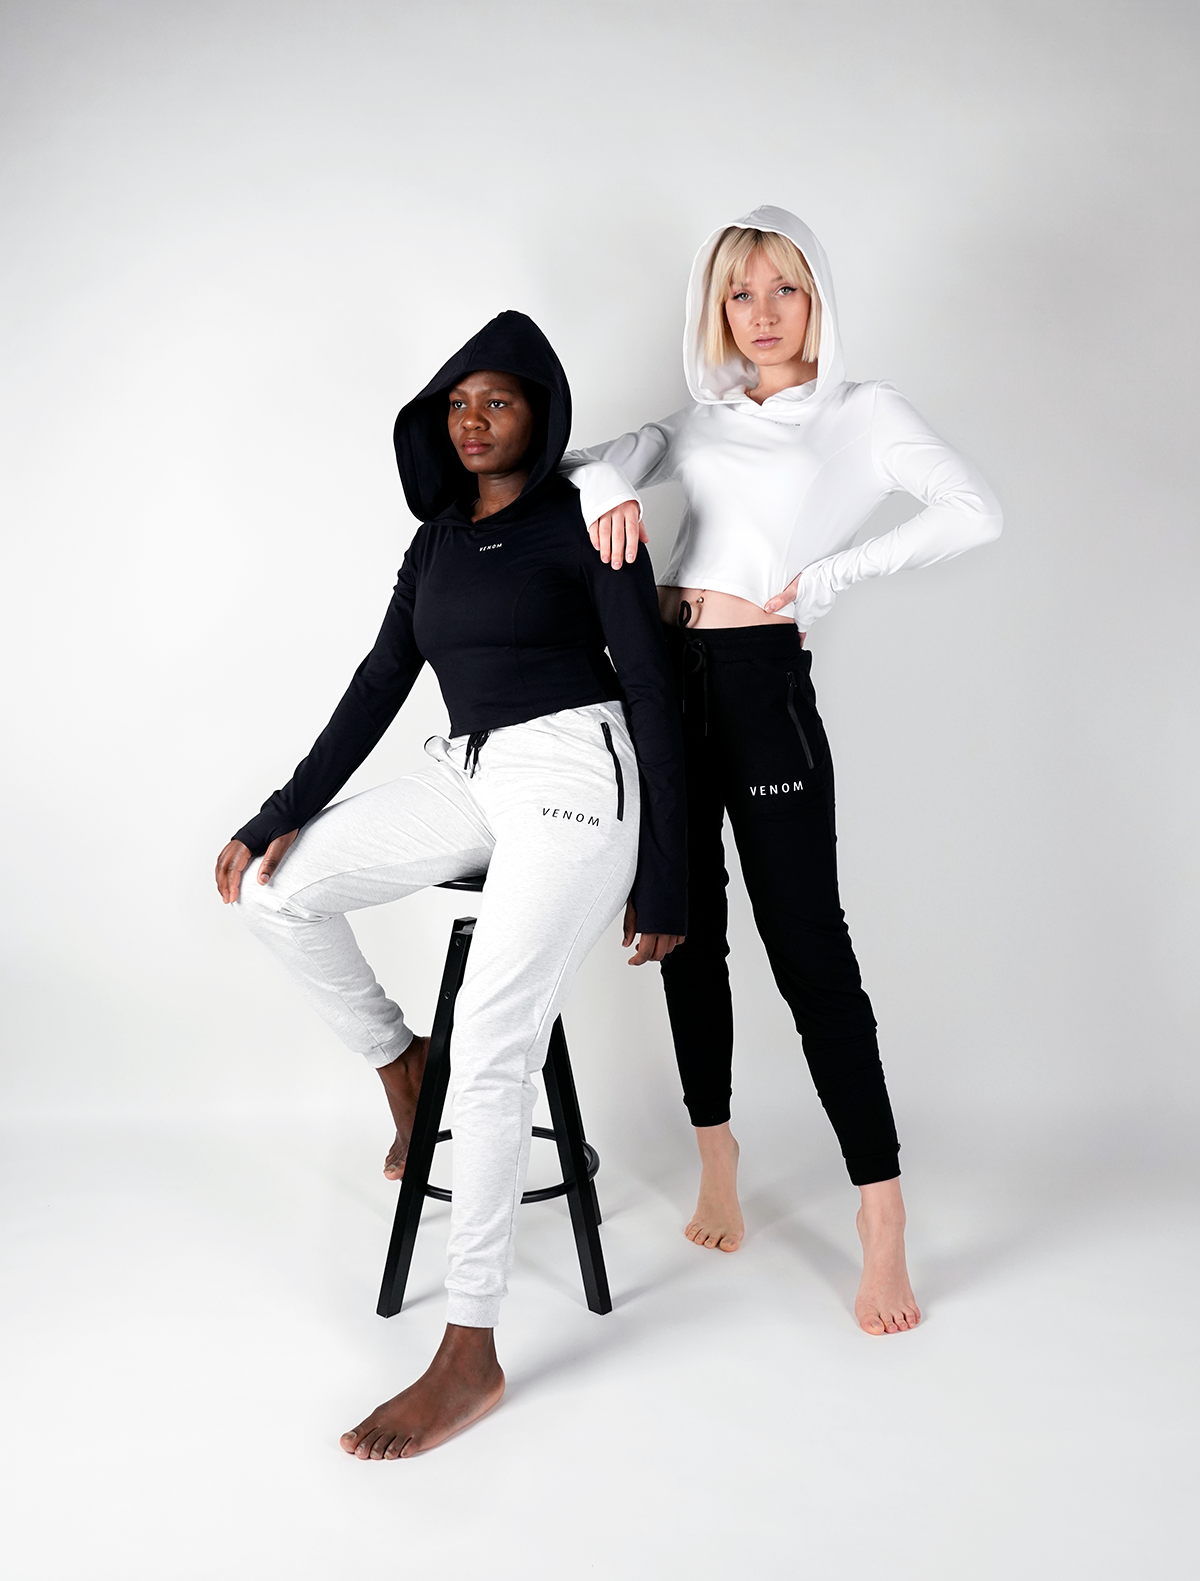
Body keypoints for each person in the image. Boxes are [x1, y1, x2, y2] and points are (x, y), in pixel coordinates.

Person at [214, 311, 686, 1456]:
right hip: (469, 771)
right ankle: (401, 1065)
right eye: (458, 405)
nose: (474, 421)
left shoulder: (588, 517)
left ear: (541, 415)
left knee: (495, 1041)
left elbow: (653, 688)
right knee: (278, 891)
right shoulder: (433, 542)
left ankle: (470, 1348)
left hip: (578, 773)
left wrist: (672, 871)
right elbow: (381, 679)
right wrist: (280, 812)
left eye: (499, 402)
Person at [560, 206, 1002, 1335]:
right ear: (718, 308)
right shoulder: (705, 417)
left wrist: (835, 576)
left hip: (762, 689)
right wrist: (610, 489)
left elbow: (974, 512)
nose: (761, 315)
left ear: (818, 299)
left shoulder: (863, 414)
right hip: (663, 680)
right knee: (685, 929)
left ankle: (882, 1213)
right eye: (740, 293)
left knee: (811, 950)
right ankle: (717, 1157)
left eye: (784, 290)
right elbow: (584, 463)